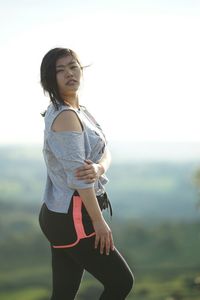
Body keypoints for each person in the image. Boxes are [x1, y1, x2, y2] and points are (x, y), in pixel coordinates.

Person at [39, 47, 134, 300]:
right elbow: (79, 177)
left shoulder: (81, 111)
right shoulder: (66, 117)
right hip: (74, 216)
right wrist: (99, 222)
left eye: (73, 66)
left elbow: (106, 151)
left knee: (64, 293)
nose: (69, 73)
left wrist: (99, 167)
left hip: (62, 214)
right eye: (60, 70)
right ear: (50, 78)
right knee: (121, 282)